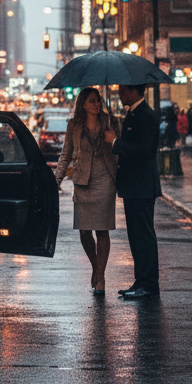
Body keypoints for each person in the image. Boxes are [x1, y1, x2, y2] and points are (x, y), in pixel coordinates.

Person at [54, 87, 118, 294]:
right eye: (92, 101)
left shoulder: (109, 121)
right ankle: (95, 267)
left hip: (105, 179)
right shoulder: (74, 125)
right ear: (83, 104)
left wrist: (113, 139)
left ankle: (101, 277)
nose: (96, 104)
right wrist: (57, 180)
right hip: (82, 181)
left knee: (102, 229)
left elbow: (119, 149)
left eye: (98, 100)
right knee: (84, 230)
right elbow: (65, 155)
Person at [105, 83, 161, 300]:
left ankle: (149, 283)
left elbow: (145, 150)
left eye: (122, 91)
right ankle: (141, 281)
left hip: (142, 186)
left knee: (144, 236)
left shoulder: (145, 115)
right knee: (135, 237)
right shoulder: (132, 114)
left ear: (134, 91)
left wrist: (116, 142)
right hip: (132, 187)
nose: (119, 94)